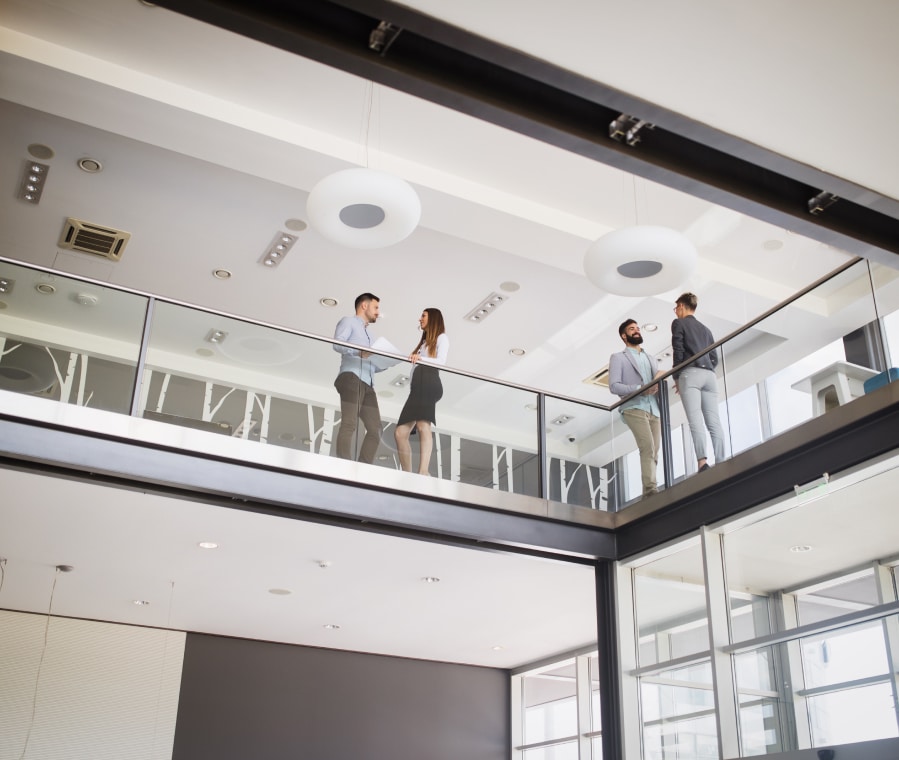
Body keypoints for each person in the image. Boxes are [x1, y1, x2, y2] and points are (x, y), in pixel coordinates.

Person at [608, 319, 664, 498]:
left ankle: (649, 489)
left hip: (654, 408)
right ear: (624, 336)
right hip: (634, 406)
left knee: (654, 449)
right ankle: (650, 491)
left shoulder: (651, 358)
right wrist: (639, 389)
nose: (637, 331)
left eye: (638, 328)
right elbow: (614, 386)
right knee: (647, 446)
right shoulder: (618, 357)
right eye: (632, 329)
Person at [671, 292, 726, 472]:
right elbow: (714, 358)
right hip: (710, 376)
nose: (675, 311)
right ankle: (721, 460)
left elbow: (678, 351)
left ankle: (702, 462)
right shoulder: (706, 329)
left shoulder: (678, 323)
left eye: (676, 307)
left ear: (681, 306)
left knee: (695, 420)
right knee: (714, 421)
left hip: (690, 374)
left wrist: (676, 377)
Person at [394, 308, 449, 475]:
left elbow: (441, 362)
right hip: (418, 386)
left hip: (429, 381)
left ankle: (423, 471)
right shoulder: (424, 343)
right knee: (400, 432)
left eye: (423, 316)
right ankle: (407, 474)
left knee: (423, 425)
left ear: (433, 319)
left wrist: (420, 358)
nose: (420, 319)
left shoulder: (442, 337)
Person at [333, 292, 384, 464]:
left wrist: (384, 362)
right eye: (376, 307)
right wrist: (359, 352)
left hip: (368, 382)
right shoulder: (348, 321)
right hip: (351, 377)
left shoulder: (372, 336)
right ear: (364, 305)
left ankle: (363, 468)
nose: (378, 312)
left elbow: (370, 361)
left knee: (376, 429)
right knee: (350, 423)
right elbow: (337, 344)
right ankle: (343, 464)